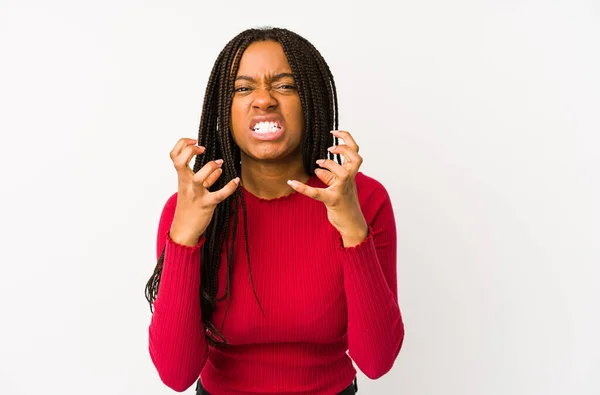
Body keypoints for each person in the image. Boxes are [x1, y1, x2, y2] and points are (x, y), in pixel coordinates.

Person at [144, 26, 404, 395]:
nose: (263, 100)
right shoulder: (191, 205)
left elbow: (377, 361)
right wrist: (184, 235)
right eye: (243, 88)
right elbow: (176, 373)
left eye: (284, 86)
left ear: (312, 99)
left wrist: (352, 228)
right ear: (224, 107)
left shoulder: (364, 199)